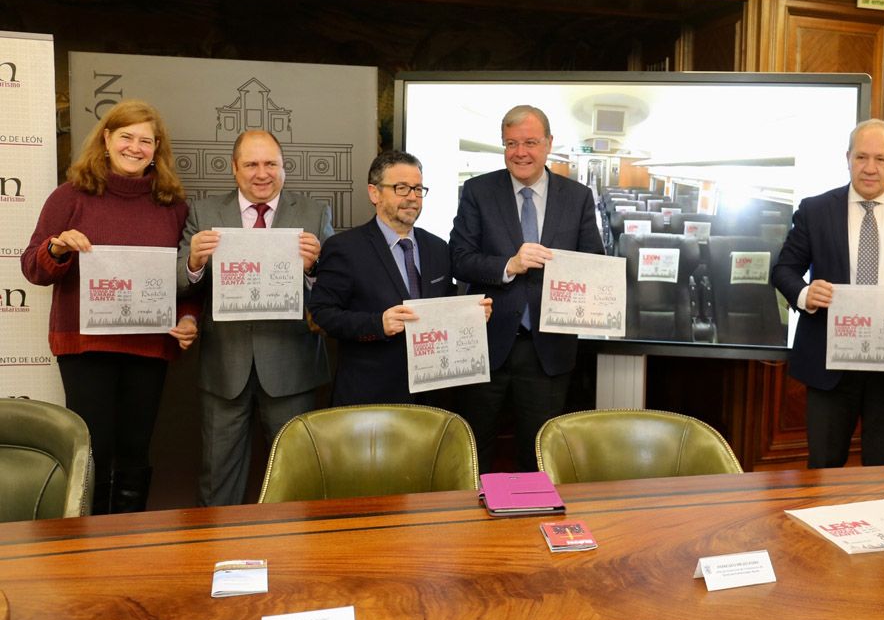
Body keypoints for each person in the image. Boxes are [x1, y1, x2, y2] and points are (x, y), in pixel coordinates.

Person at [21, 99, 199, 514]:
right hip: (85, 345)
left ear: (158, 148)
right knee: (94, 447)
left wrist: (189, 318)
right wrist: (58, 248)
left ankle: (127, 541)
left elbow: (185, 279)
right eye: (126, 137)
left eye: (146, 141)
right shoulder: (70, 196)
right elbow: (33, 267)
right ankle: (88, 541)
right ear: (105, 139)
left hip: (148, 344)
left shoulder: (173, 205)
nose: (136, 148)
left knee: (136, 447)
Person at [771, 118, 884, 469]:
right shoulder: (816, 209)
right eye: (861, 157)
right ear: (847, 157)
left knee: (882, 469)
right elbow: (783, 270)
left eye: (881, 159)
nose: (869, 168)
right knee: (823, 468)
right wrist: (805, 294)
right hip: (829, 362)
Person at [177, 129, 333, 506]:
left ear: (284, 167)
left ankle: (294, 558)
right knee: (218, 477)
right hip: (224, 365)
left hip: (291, 363)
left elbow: (337, 291)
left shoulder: (314, 212)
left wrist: (316, 269)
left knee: (297, 474)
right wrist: (195, 262)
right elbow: (178, 285)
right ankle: (218, 554)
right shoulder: (204, 212)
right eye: (251, 164)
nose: (261, 173)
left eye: (270, 164)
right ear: (234, 169)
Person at [449, 105, 604, 472]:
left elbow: (594, 264)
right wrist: (509, 265)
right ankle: (474, 524)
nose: (521, 152)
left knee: (538, 451)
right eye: (511, 143)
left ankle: (530, 523)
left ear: (549, 144)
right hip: (484, 344)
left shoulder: (577, 196)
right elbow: (459, 258)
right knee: (476, 446)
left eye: (531, 142)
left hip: (548, 349)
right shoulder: (478, 191)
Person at [309, 151, 491, 406]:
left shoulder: (437, 247)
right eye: (401, 188)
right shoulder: (345, 248)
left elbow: (444, 306)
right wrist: (377, 324)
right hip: (370, 394)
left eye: (418, 189)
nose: (412, 198)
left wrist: (469, 316)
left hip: (432, 395)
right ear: (374, 193)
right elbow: (322, 313)